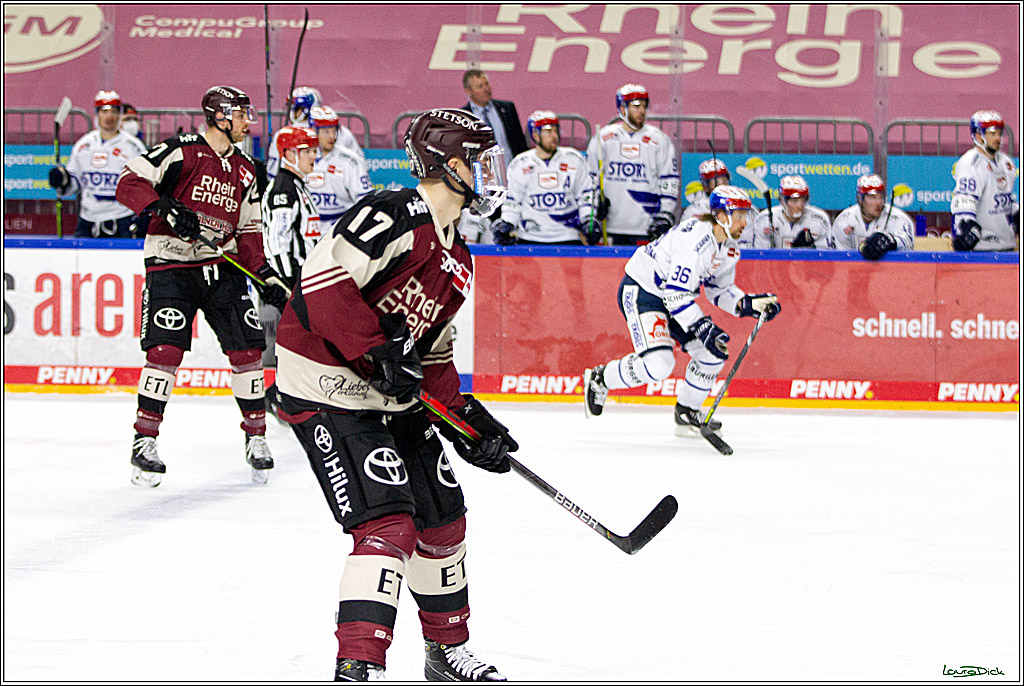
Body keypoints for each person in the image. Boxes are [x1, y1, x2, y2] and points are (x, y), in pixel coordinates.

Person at [274, 108, 515, 682]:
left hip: (388, 395)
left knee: (442, 515)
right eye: (482, 162)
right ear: (452, 166)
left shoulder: (460, 258)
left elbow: (430, 359)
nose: (491, 173)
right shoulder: (394, 213)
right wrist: (376, 348)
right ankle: (358, 665)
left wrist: (469, 422)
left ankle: (446, 650)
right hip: (326, 385)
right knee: (389, 526)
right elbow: (320, 286)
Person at [114, 85, 291, 487]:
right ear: (221, 117)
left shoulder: (248, 169)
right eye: (243, 115)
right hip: (171, 266)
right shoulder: (181, 150)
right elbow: (128, 181)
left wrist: (264, 274)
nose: (249, 122)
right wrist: (164, 207)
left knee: (247, 348)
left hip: (221, 269)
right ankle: (144, 441)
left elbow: (248, 229)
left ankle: (257, 438)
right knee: (165, 351)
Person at [583, 185, 781, 437]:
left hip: (674, 300)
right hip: (644, 292)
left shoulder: (729, 248)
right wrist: (701, 325)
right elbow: (675, 293)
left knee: (712, 354)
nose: (745, 222)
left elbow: (718, 290)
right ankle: (603, 377)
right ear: (721, 216)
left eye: (746, 215)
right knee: (659, 364)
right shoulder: (696, 239)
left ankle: (687, 411)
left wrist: (748, 304)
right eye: (739, 215)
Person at [260, 125, 322, 418]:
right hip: (291, 282)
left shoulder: (297, 185)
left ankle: (282, 397)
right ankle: (278, 398)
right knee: (300, 345)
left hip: (304, 280)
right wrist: (286, 284)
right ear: (287, 155)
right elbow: (277, 241)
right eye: (307, 151)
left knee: (305, 344)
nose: (314, 156)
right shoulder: (283, 190)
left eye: (313, 150)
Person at [585, 84, 680, 245]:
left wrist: (664, 214)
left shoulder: (659, 140)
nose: (642, 111)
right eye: (636, 106)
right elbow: (590, 180)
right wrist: (591, 213)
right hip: (611, 226)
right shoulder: (604, 138)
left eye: (644, 106)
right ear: (622, 109)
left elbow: (669, 181)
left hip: (646, 228)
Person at [491, 110, 600, 245]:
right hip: (530, 238)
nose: (554, 136)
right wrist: (507, 223)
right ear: (535, 135)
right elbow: (513, 201)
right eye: (548, 131)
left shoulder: (574, 159)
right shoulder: (519, 163)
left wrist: (587, 220)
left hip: (568, 237)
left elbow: (586, 193)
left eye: (556, 130)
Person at [48, 90, 147, 238]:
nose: (109, 116)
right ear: (97, 114)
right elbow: (74, 185)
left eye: (114, 111)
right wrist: (62, 180)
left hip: (122, 220)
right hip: (88, 220)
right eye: (104, 111)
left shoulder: (133, 146)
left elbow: (146, 184)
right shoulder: (84, 145)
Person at [950, 110, 1019, 251]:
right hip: (982, 249)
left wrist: (1016, 214)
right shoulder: (970, 163)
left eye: (999, 133)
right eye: (992, 134)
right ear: (978, 136)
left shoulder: (1006, 162)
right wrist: (966, 224)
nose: (998, 138)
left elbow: (1005, 197)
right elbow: (965, 200)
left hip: (1007, 245)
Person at [267, 87, 364, 179]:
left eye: (297, 109)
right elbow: (273, 171)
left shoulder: (342, 133)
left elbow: (359, 163)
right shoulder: (284, 135)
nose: (293, 112)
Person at [307, 105, 373, 228]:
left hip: (340, 228)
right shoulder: (300, 158)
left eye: (334, 130)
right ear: (313, 131)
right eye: (326, 131)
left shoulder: (350, 161)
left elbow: (366, 201)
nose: (332, 136)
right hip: (308, 229)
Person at [831, 174, 914, 260]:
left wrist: (891, 241)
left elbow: (907, 242)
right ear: (860, 199)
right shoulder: (843, 221)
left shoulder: (899, 219)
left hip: (890, 270)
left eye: (881, 197)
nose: (878, 202)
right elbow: (839, 258)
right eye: (872, 197)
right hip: (853, 270)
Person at [742, 175, 833, 248]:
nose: (800, 205)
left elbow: (826, 258)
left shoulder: (820, 220)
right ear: (782, 201)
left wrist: (809, 251)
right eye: (794, 201)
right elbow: (760, 257)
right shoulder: (764, 220)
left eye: (803, 200)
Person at [462, 69, 528, 166]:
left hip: (511, 170)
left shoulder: (507, 108)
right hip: (484, 174)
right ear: (468, 91)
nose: (486, 89)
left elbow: (519, 141)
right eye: (480, 86)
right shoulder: (464, 117)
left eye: (486, 84)